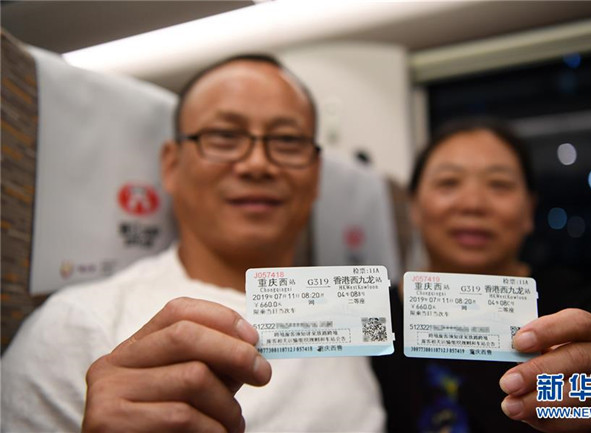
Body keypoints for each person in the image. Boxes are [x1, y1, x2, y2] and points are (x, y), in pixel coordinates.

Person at [1, 55, 386, 432]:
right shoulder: (79, 326)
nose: (258, 164)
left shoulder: (350, 312)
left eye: (287, 141)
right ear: (171, 165)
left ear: (316, 176)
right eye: (224, 137)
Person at [373, 116, 591, 433]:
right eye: (448, 182)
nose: (473, 204)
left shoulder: (573, 302)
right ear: (414, 207)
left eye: (499, 185)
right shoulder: (374, 314)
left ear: (529, 210)